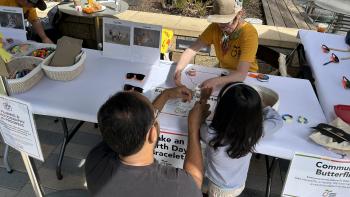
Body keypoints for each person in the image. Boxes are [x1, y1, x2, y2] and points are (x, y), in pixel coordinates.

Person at [85, 86, 210, 197]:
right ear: (153, 134)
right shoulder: (177, 186)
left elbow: (130, 124)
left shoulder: (95, 158)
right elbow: (195, 181)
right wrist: (194, 128)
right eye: (155, 119)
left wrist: (165, 95)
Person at [199, 83, 283, 196]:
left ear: (221, 109)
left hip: (217, 189)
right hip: (238, 184)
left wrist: (203, 99)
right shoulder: (255, 132)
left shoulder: (210, 134)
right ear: (255, 114)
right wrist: (262, 106)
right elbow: (277, 121)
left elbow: (198, 119)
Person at [174, 0, 258, 89]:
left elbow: (241, 74)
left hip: (248, 77)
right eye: (220, 22)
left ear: (239, 15)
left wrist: (215, 81)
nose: (223, 27)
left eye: (227, 22)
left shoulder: (249, 33)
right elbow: (192, 49)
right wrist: (178, 70)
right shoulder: (214, 28)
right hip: (225, 73)